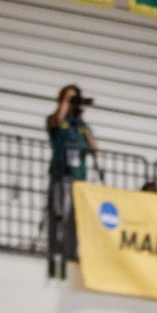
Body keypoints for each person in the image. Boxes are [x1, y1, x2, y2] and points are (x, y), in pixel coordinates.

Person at [45, 85, 98, 270]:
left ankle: (70, 251)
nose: (72, 102)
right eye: (68, 98)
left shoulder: (82, 126)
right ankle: (54, 249)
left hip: (78, 177)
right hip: (60, 174)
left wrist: (81, 120)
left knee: (74, 217)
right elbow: (56, 120)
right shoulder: (55, 120)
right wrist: (66, 102)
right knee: (57, 213)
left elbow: (95, 149)